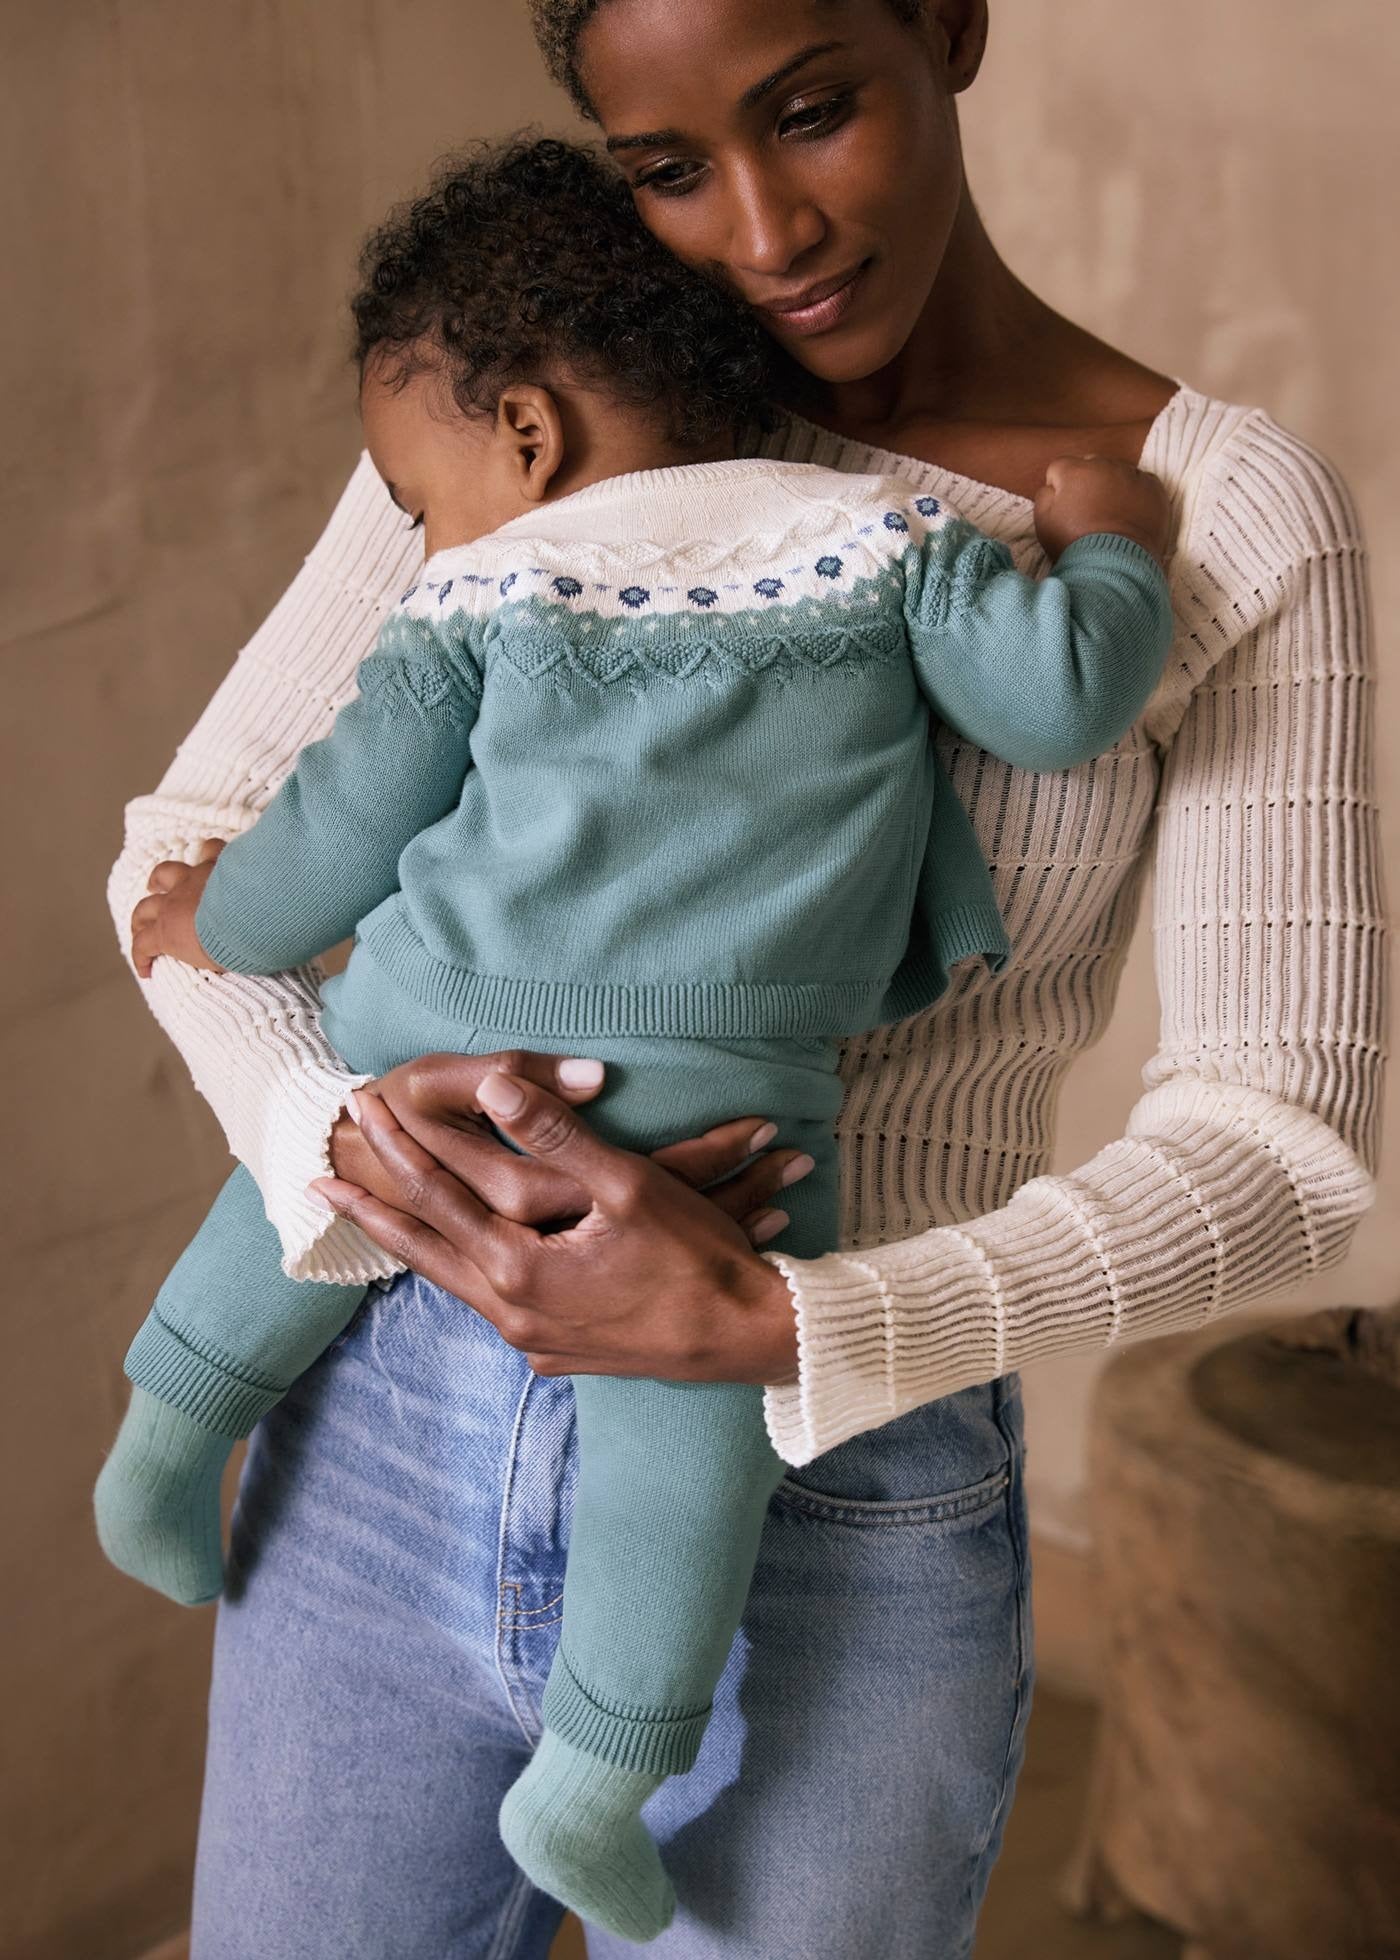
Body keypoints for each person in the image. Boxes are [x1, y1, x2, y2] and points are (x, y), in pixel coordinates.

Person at [106, 3, 1383, 1955]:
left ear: (947, 25)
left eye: (814, 111)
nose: (768, 231)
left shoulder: (1220, 512)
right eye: (668, 168)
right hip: (371, 1409)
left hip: (838, 1482)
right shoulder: (546, 386)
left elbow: (1281, 1146)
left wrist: (790, 1317)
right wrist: (336, 1129)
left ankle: (590, 1746)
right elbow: (199, 850)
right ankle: (176, 1426)